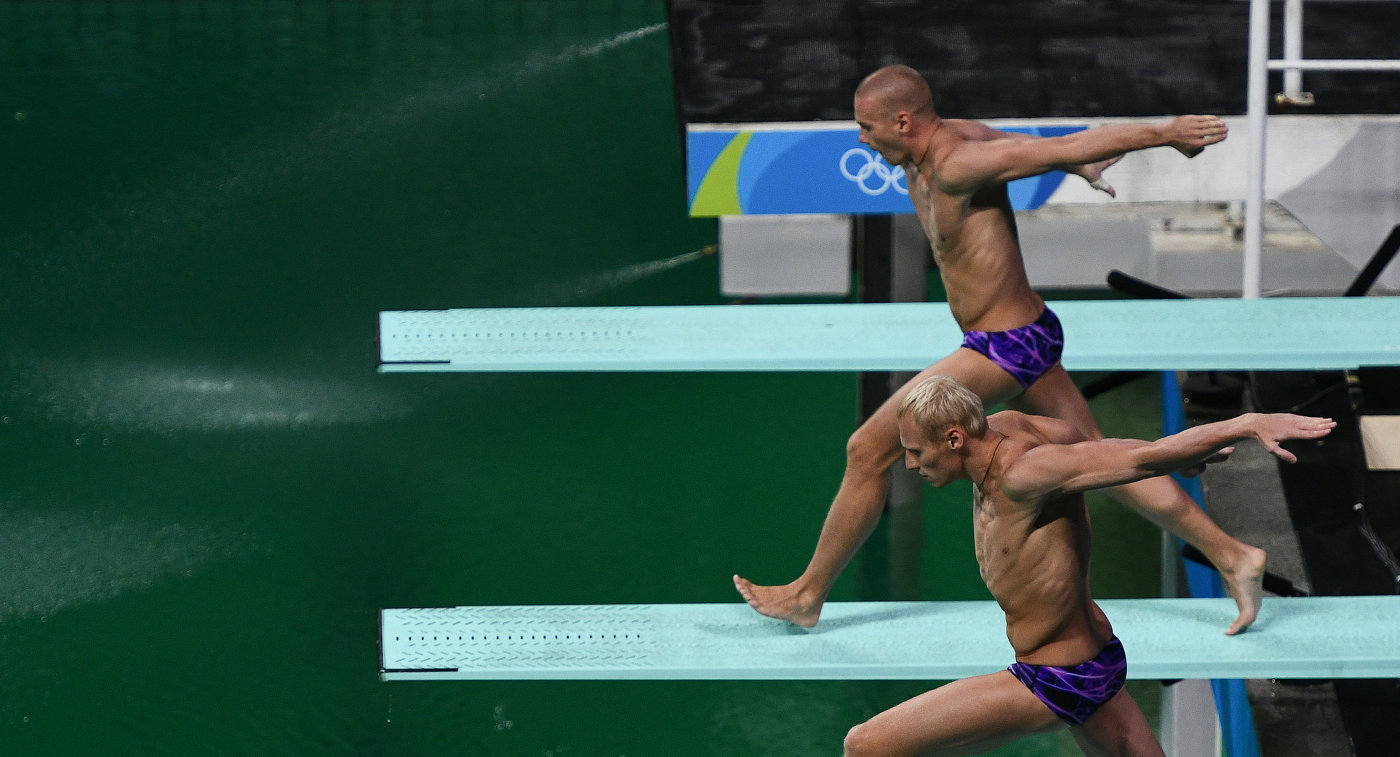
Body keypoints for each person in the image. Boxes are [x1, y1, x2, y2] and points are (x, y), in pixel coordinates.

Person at [734, 64, 1266, 635]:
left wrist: (1165, 131)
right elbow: (1036, 147)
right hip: (1017, 335)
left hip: (1005, 346)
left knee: (868, 449)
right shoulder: (948, 142)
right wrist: (1073, 164)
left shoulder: (959, 164)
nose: (862, 139)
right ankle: (1235, 555)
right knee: (1098, 453)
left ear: (904, 121)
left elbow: (1067, 141)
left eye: (868, 127)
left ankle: (808, 594)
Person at [839, 374, 1336, 756]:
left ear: (953, 439)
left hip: (1057, 677)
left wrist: (1243, 424)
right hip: (1096, 661)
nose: (908, 465)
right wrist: (1170, 458)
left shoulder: (1021, 475)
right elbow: (1092, 446)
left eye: (914, 452)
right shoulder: (1013, 425)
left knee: (867, 745)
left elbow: (1138, 463)